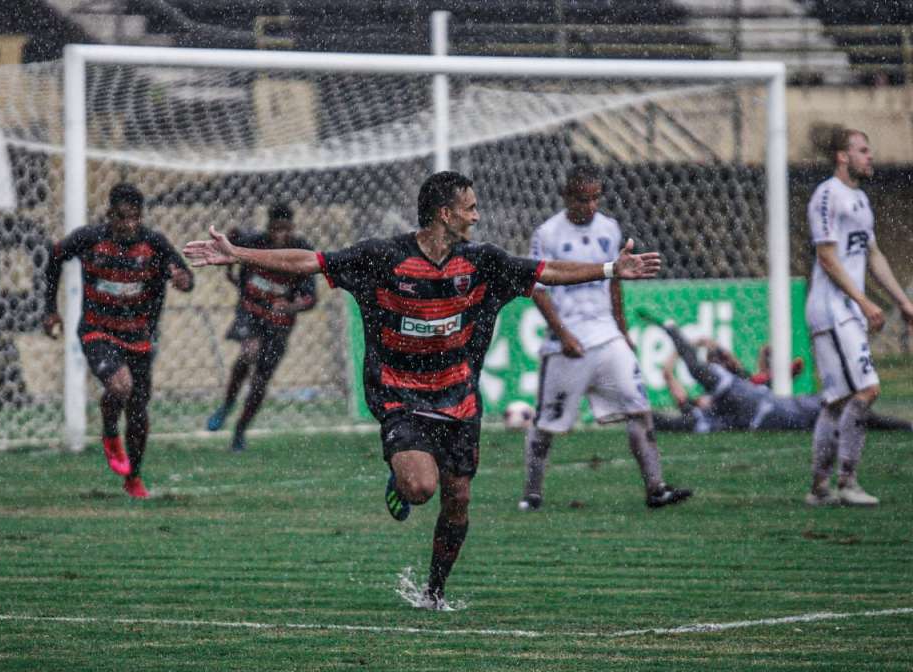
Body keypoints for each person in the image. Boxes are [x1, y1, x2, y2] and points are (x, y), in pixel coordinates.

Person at [184, 171, 662, 609]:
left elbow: (545, 272)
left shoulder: (483, 262)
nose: (477, 215)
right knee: (420, 487)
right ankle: (401, 476)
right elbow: (310, 261)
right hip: (400, 395)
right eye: (470, 207)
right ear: (444, 213)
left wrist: (607, 270)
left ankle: (433, 591)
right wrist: (239, 254)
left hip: (458, 398)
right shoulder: (382, 257)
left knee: (458, 499)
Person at [519, 165, 691, 513]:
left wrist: (623, 330)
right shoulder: (548, 233)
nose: (591, 205)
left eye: (596, 197)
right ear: (567, 197)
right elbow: (535, 287)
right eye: (583, 199)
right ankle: (532, 494)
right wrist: (563, 333)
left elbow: (614, 280)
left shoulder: (609, 228)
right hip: (568, 344)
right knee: (546, 425)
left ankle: (656, 488)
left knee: (639, 410)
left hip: (607, 337)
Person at [43, 183, 194, 499]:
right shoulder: (90, 239)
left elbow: (184, 275)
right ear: (110, 214)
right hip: (98, 331)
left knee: (139, 411)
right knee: (120, 386)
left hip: (138, 337)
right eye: (122, 217)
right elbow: (55, 256)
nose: (129, 225)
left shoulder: (153, 243)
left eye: (135, 218)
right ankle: (110, 432)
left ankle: (134, 478)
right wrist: (50, 309)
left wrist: (182, 279)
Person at [803, 126, 913, 507]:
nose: (870, 156)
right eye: (863, 150)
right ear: (842, 156)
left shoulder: (861, 201)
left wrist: (903, 302)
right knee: (866, 390)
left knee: (837, 401)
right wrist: (864, 303)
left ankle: (820, 488)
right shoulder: (827, 195)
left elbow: (874, 255)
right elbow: (827, 257)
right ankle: (846, 482)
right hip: (832, 309)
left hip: (846, 309)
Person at [641, 313, 912, 433]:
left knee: (853, 412)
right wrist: (672, 365)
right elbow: (676, 384)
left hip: (766, 409)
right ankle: (637, 416)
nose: (720, 362)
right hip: (762, 412)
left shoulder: (740, 381)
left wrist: (706, 348)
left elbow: (733, 366)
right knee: (851, 412)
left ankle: (672, 330)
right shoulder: (707, 403)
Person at [205, 202, 317, 451]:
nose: (281, 235)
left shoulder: (302, 250)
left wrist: (291, 307)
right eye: (276, 229)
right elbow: (231, 239)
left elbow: (311, 298)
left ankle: (240, 431)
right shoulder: (254, 242)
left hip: (279, 323)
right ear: (268, 227)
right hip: (251, 312)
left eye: (286, 229)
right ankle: (227, 403)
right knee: (248, 352)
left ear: (293, 228)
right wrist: (231, 268)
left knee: (260, 382)